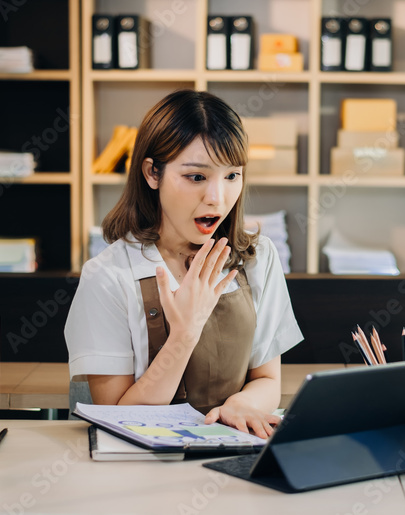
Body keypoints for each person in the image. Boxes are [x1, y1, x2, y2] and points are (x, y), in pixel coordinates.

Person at [64, 90, 303, 438]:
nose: (216, 197)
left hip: (233, 450)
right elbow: (116, 418)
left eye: (232, 176)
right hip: (141, 466)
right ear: (152, 173)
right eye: (196, 177)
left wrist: (243, 405)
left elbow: (267, 379)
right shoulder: (107, 276)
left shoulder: (259, 258)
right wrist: (185, 334)